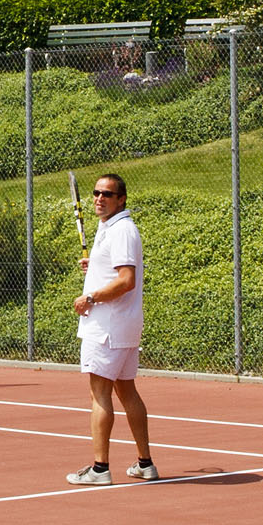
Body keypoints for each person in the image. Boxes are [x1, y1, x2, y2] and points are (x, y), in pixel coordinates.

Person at [64, 173, 153, 486]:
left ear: (121, 199)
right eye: (96, 193)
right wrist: (96, 268)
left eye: (107, 194)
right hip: (120, 327)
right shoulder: (111, 228)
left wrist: (91, 296)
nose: (99, 198)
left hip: (107, 328)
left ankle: (100, 469)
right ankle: (145, 463)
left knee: (99, 394)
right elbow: (115, 271)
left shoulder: (122, 230)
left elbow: (126, 281)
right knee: (126, 390)